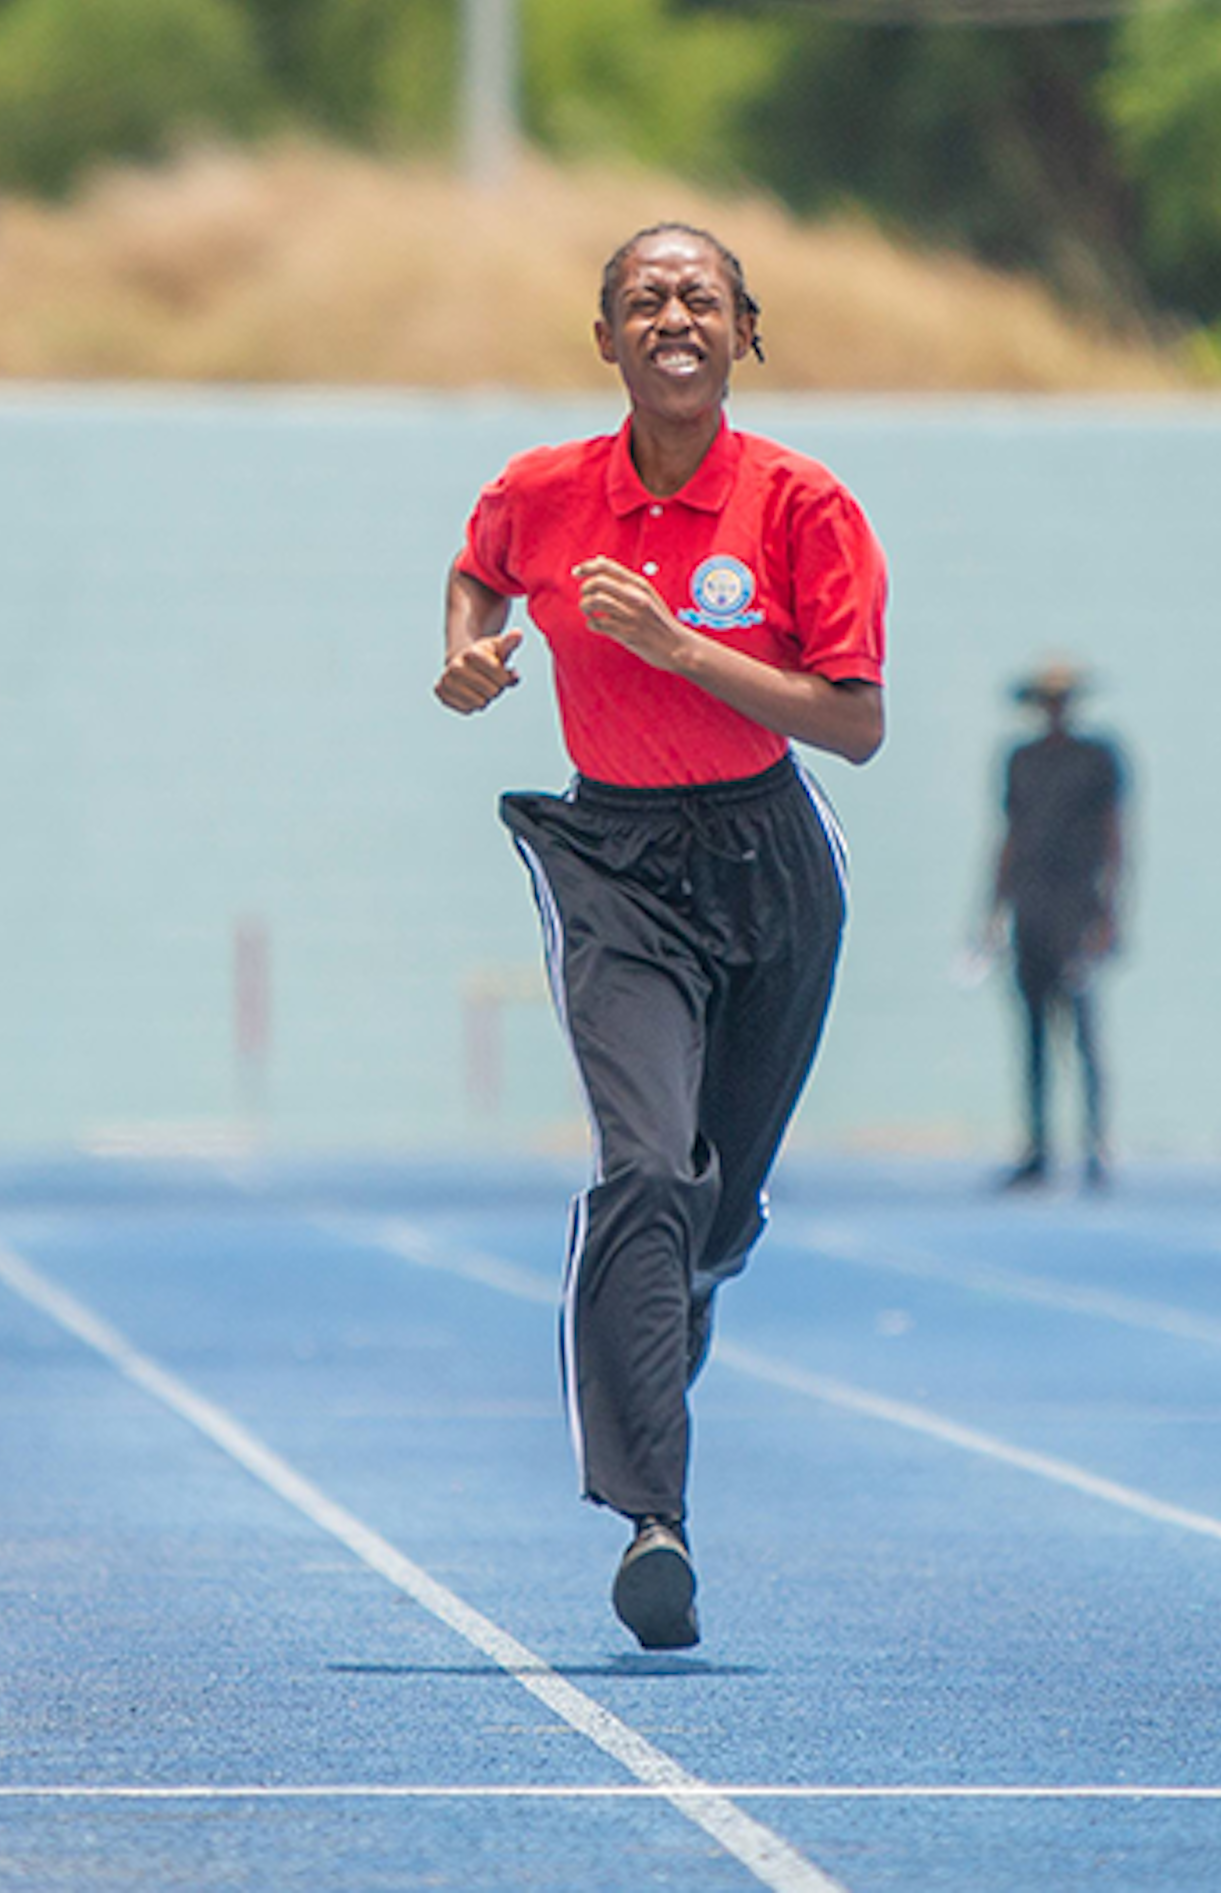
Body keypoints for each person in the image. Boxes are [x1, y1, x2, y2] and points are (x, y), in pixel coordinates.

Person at [433, 223, 887, 1653]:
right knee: (643, 1167)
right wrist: (468, 651)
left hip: (768, 866)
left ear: (746, 330)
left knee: (714, 1209)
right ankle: (653, 1521)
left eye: (700, 297)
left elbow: (857, 727)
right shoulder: (546, 492)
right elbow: (481, 570)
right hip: (618, 864)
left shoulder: (804, 506)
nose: (673, 316)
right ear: (608, 339)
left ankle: (688, 1280)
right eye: (645, 299)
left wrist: (681, 648)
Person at [980, 659, 1123, 1195]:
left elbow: (1116, 835)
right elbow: (1009, 833)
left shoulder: (1099, 759)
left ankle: (1095, 1146)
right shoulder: (1020, 760)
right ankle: (1037, 1148)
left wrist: (1109, 910)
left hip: (1077, 905)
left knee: (1083, 1031)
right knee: (1033, 1033)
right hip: (1031, 905)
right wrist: (993, 910)